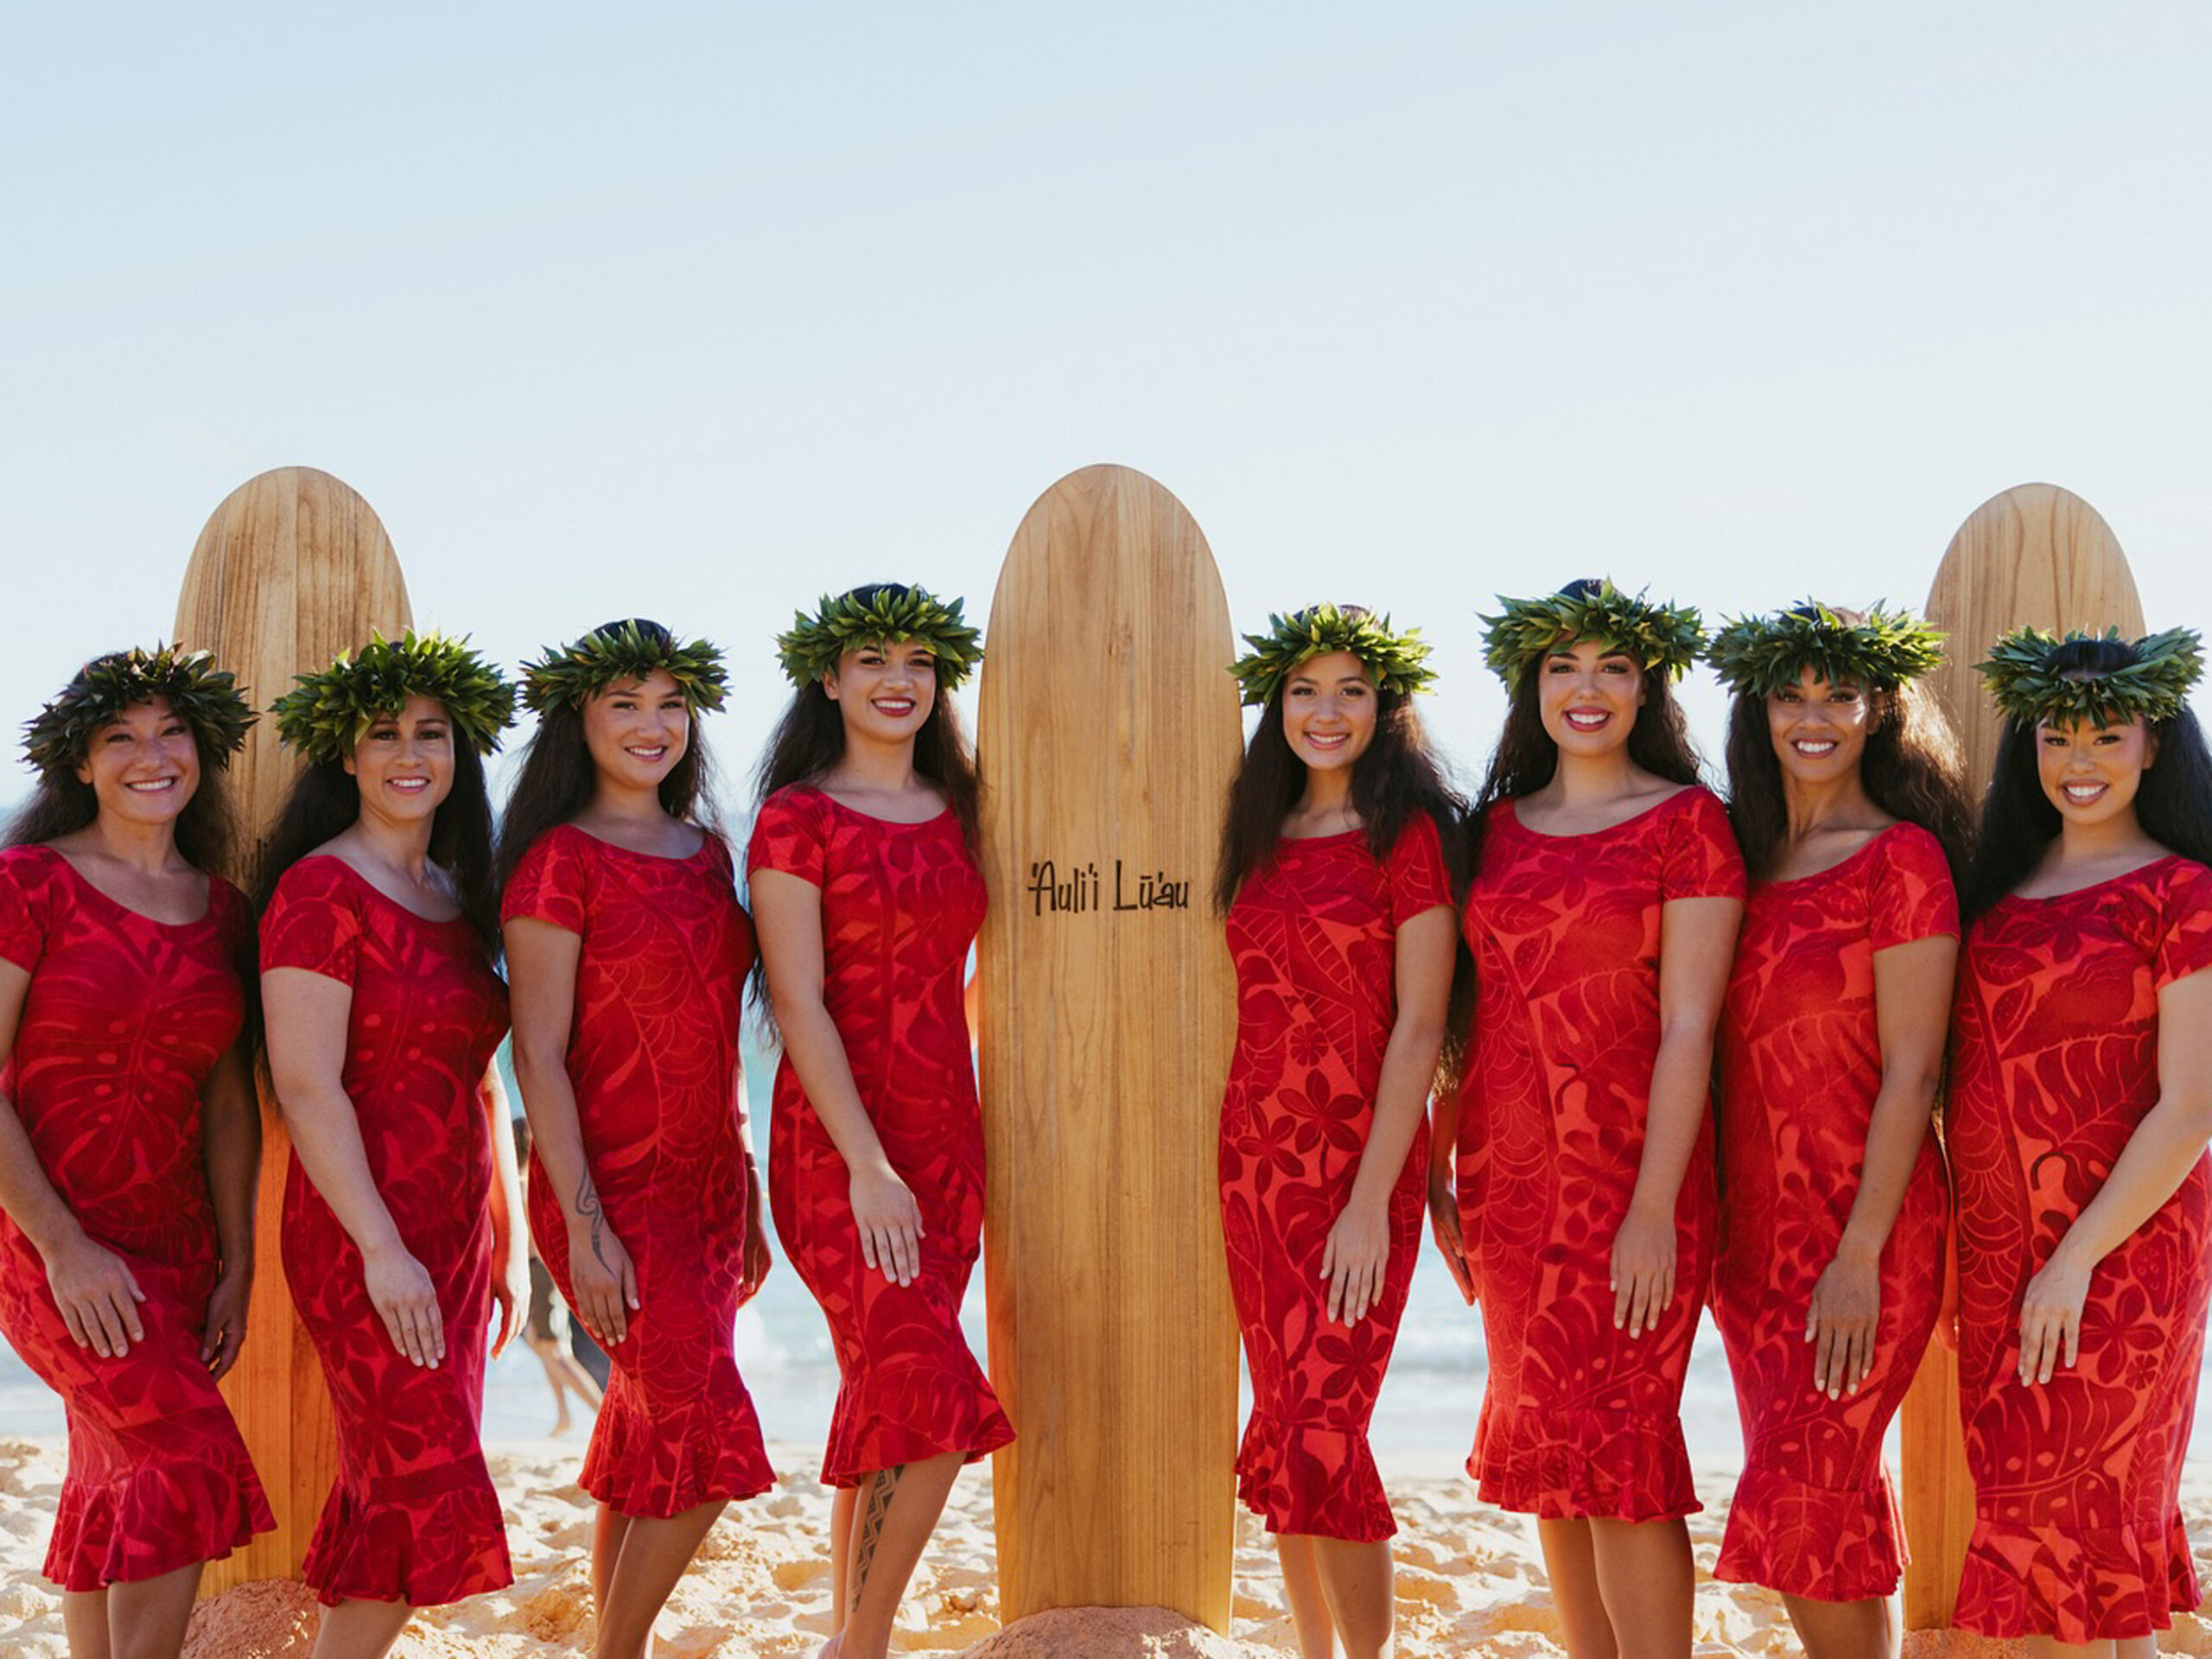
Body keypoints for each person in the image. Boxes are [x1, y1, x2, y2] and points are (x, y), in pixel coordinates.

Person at [1430, 579, 1743, 1659]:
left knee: (1621, 1444)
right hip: (1507, 1182)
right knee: (1549, 1448)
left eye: (1611, 666)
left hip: (1632, 1176)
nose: (1587, 689)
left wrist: (1654, 1206)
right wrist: (1439, 1172)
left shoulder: (1690, 825)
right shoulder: (1496, 831)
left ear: (1646, 684)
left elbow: (1691, 1027)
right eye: (1562, 666)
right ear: (1531, 684)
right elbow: (1473, 1014)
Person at [747, 584, 1012, 1659]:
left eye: (916, 659)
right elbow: (797, 1000)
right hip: (837, 1142)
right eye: (870, 660)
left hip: (948, 1135)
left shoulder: (965, 810)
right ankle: (862, 1642)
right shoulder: (794, 816)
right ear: (828, 678)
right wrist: (864, 1161)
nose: (897, 679)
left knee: (886, 1388)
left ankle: (845, 1634)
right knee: (922, 1380)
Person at [500, 619, 773, 1659]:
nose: (652, 726)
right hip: (607, 1188)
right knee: (701, 1425)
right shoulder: (555, 863)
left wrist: (744, 1183)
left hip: (707, 1185)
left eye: (670, 705)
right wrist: (582, 1228)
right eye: (625, 704)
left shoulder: (707, 852)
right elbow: (538, 1056)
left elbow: (712, 1034)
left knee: (645, 1432)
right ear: (581, 718)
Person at [1704, 603, 1971, 1659]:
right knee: (1833, 1496)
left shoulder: (1900, 861)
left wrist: (1859, 1254)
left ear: (1878, 712)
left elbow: (1913, 1071)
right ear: (1759, 709)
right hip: (1753, 1242)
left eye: (1837, 695)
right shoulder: (1741, 856)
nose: (1811, 717)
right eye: (1789, 694)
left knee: (1802, 1487)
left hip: (1869, 1229)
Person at [256, 632, 526, 1659]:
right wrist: (381, 1249)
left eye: (432, 733)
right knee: (426, 1488)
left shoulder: (459, 895)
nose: (411, 753)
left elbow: (481, 1075)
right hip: (362, 1235)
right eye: (385, 733)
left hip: (452, 1238)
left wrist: (506, 1235)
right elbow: (305, 1085)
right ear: (346, 756)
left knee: (388, 1495)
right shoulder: (320, 892)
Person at [0, 647, 272, 1659]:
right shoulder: (28, 883)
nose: (150, 756)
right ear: (79, 762)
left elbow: (226, 1102)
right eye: (121, 738)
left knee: (113, 1476)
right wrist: (64, 1248)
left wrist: (238, 1262)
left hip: (177, 1244)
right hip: (46, 1236)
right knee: (185, 1461)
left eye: (171, 734)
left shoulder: (223, 911)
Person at [1949, 625, 2212, 1656]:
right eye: (2056, 738)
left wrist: (2071, 1263)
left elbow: (2190, 1108)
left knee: (2087, 1531)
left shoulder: (2184, 894)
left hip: (2120, 1256)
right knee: (2027, 1533)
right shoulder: (1994, 901)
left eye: (2108, 735)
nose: (2081, 760)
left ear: (2154, 745)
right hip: (1995, 1257)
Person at [1215, 605, 1462, 1659]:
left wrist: (1375, 1200)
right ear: (1276, 703)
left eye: (1351, 691)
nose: (1326, 712)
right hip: (1252, 1163)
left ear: (1385, 707)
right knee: (1282, 1423)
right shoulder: (1253, 831)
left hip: (1360, 1169)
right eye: (1305, 690)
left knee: (1326, 1424)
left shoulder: (1405, 836)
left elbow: (1418, 1025)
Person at [509, 1116, 606, 1436]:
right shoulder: (542, 1185)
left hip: (539, 1274)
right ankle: (564, 1414)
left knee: (555, 1351)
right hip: (543, 1272)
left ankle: (602, 1416)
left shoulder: (521, 1188)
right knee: (544, 1347)